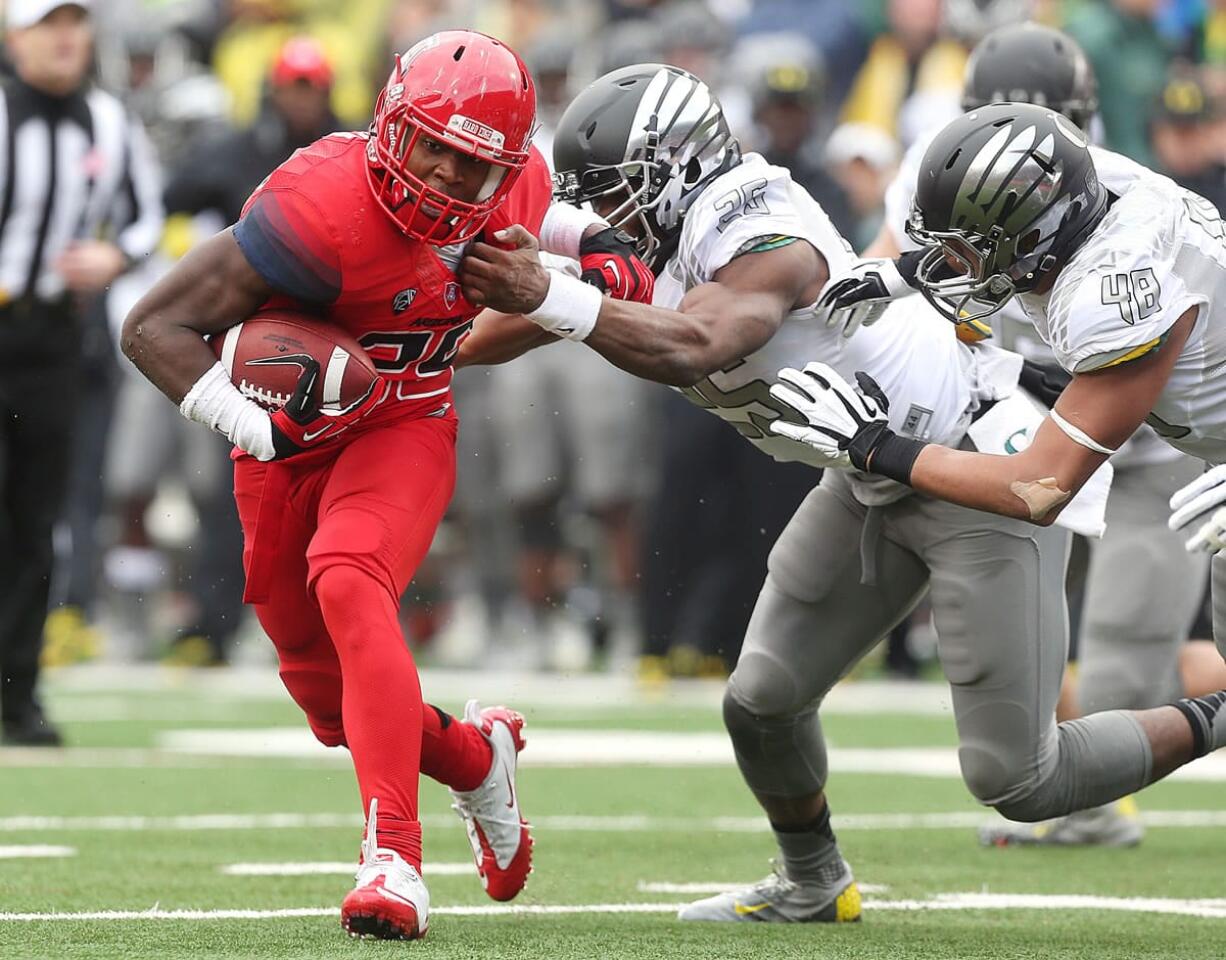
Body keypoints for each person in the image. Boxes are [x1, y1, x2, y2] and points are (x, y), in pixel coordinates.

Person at [455, 63, 1204, 927]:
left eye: (620, 195)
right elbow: (562, 296)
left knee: (1021, 780)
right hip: (864, 475)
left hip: (968, 469)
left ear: (678, 170)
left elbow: (695, 341)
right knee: (761, 701)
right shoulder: (660, 232)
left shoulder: (760, 224)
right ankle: (813, 881)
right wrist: (421, 352)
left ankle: (1218, 714)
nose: (604, 217)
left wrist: (546, 292)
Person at [121, 30, 653, 941]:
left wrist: (557, 281)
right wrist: (258, 426)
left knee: (349, 575)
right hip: (285, 440)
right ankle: (474, 758)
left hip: (406, 423)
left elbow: (624, 261)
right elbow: (151, 327)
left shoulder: (513, 184)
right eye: (431, 148)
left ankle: (393, 859)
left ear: (507, 167)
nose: (447, 177)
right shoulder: (317, 212)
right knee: (327, 700)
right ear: (389, 128)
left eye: (471, 164)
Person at [770, 101, 1226, 769]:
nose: (948, 260)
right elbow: (1017, 239)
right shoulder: (1093, 184)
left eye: (962, 249)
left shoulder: (1116, 289)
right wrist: (902, 273)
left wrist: (874, 446)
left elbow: (1039, 488)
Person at [864, 21, 1210, 849]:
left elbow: (1041, 484)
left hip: (1164, 456)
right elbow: (900, 279)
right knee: (1025, 626)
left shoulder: (1117, 263)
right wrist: (886, 278)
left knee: (1124, 677)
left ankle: (1104, 791)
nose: (1006, 157)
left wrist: (881, 448)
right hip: (1062, 426)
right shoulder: (943, 179)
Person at [0, 0, 163, 745]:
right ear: (15, 36)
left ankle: (17, 693)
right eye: (48, 24)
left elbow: (146, 217)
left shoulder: (108, 119)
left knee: (38, 523)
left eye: (74, 22)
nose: (66, 37)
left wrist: (117, 258)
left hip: (55, 339)